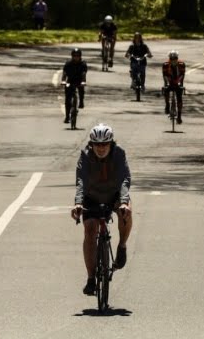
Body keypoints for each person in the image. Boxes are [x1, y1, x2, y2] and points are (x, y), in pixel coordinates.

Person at [71, 123, 132, 296]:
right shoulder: (85, 156)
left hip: (114, 194)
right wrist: (78, 203)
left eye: (105, 144)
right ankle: (91, 279)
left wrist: (124, 202)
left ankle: (122, 246)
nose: (101, 148)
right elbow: (80, 181)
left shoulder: (119, 153)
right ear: (91, 144)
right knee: (90, 229)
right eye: (97, 144)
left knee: (127, 212)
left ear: (111, 144)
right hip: (92, 196)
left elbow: (124, 179)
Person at [61, 48, 87, 123]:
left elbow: (84, 74)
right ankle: (67, 116)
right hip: (70, 81)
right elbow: (64, 73)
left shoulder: (83, 64)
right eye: (74, 56)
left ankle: (81, 101)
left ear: (80, 56)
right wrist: (63, 81)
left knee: (81, 88)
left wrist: (83, 82)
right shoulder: (68, 63)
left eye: (78, 56)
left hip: (79, 80)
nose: (76, 57)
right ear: (72, 56)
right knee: (67, 98)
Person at [161, 50, 185, 124]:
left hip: (177, 81)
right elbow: (164, 75)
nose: (173, 60)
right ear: (169, 59)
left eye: (175, 58)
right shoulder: (165, 64)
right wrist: (166, 83)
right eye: (172, 59)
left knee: (179, 98)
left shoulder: (181, 64)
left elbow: (182, 75)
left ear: (177, 58)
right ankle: (167, 105)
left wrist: (180, 84)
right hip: (169, 81)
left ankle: (179, 116)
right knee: (166, 90)